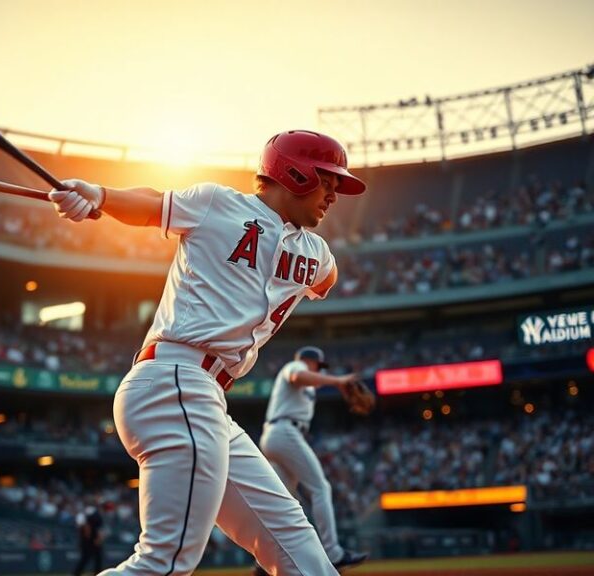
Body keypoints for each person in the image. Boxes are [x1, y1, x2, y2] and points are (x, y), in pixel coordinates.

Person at [49, 129, 366, 575]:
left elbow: (325, 279)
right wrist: (99, 195)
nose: (334, 194)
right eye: (327, 180)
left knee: (296, 542)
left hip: (206, 401)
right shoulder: (220, 203)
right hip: (174, 379)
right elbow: (152, 204)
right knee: (165, 561)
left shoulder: (315, 249)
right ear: (293, 174)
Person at [253, 346, 375, 575]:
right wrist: (338, 381)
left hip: (280, 435)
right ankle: (333, 553)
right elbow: (298, 376)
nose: (320, 370)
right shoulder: (296, 366)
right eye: (319, 366)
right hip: (284, 432)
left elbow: (307, 381)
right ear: (312, 362)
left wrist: (337, 387)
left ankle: (262, 564)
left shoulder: (309, 388)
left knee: (282, 503)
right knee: (320, 487)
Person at [73, 501, 104, 576]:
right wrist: (95, 538)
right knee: (86, 559)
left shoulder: (85, 513)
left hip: (90, 540)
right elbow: (86, 526)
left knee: (96, 559)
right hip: (89, 540)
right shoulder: (92, 514)